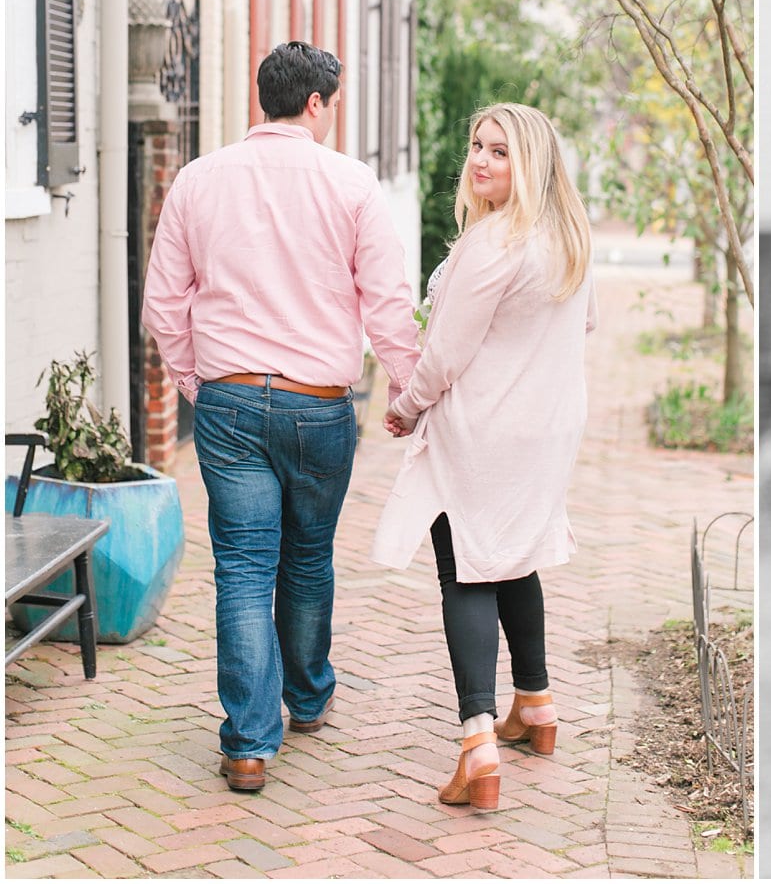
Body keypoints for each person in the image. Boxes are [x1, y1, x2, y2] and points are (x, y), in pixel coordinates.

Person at [142, 41, 421, 793]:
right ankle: (305, 697)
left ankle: (248, 742)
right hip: (318, 405)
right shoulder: (352, 184)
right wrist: (410, 390)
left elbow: (163, 303)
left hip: (229, 399)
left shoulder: (199, 180)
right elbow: (388, 302)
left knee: (241, 566)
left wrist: (198, 381)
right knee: (305, 557)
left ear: (264, 97)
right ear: (317, 103)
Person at [370, 102, 596, 811]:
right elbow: (580, 327)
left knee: (466, 566)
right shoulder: (567, 240)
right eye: (476, 145)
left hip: (485, 427)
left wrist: (404, 406)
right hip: (547, 428)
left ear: (528, 162)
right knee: (514, 555)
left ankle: (477, 746)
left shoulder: (494, 241)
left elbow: (445, 352)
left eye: (499, 151)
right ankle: (535, 706)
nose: (480, 160)